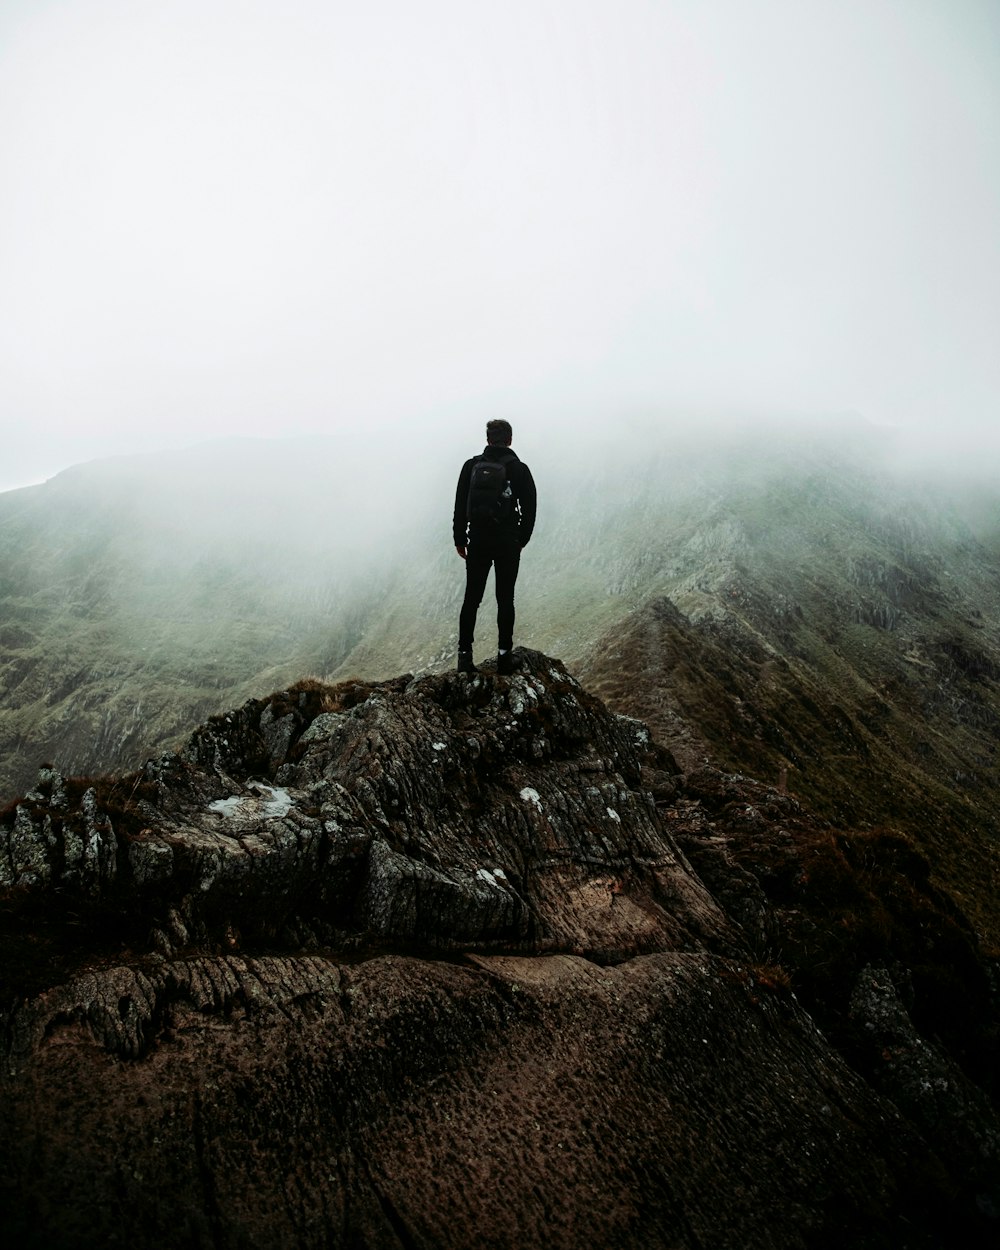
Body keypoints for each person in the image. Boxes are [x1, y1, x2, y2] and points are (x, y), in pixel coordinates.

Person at [453, 419, 536, 675]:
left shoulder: (471, 466)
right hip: (506, 542)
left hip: (477, 539)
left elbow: (460, 504)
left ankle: (464, 658)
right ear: (509, 440)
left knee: (472, 599)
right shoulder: (519, 469)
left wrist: (460, 539)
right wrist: (519, 540)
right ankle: (504, 657)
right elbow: (530, 510)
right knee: (505, 599)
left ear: (488, 439)